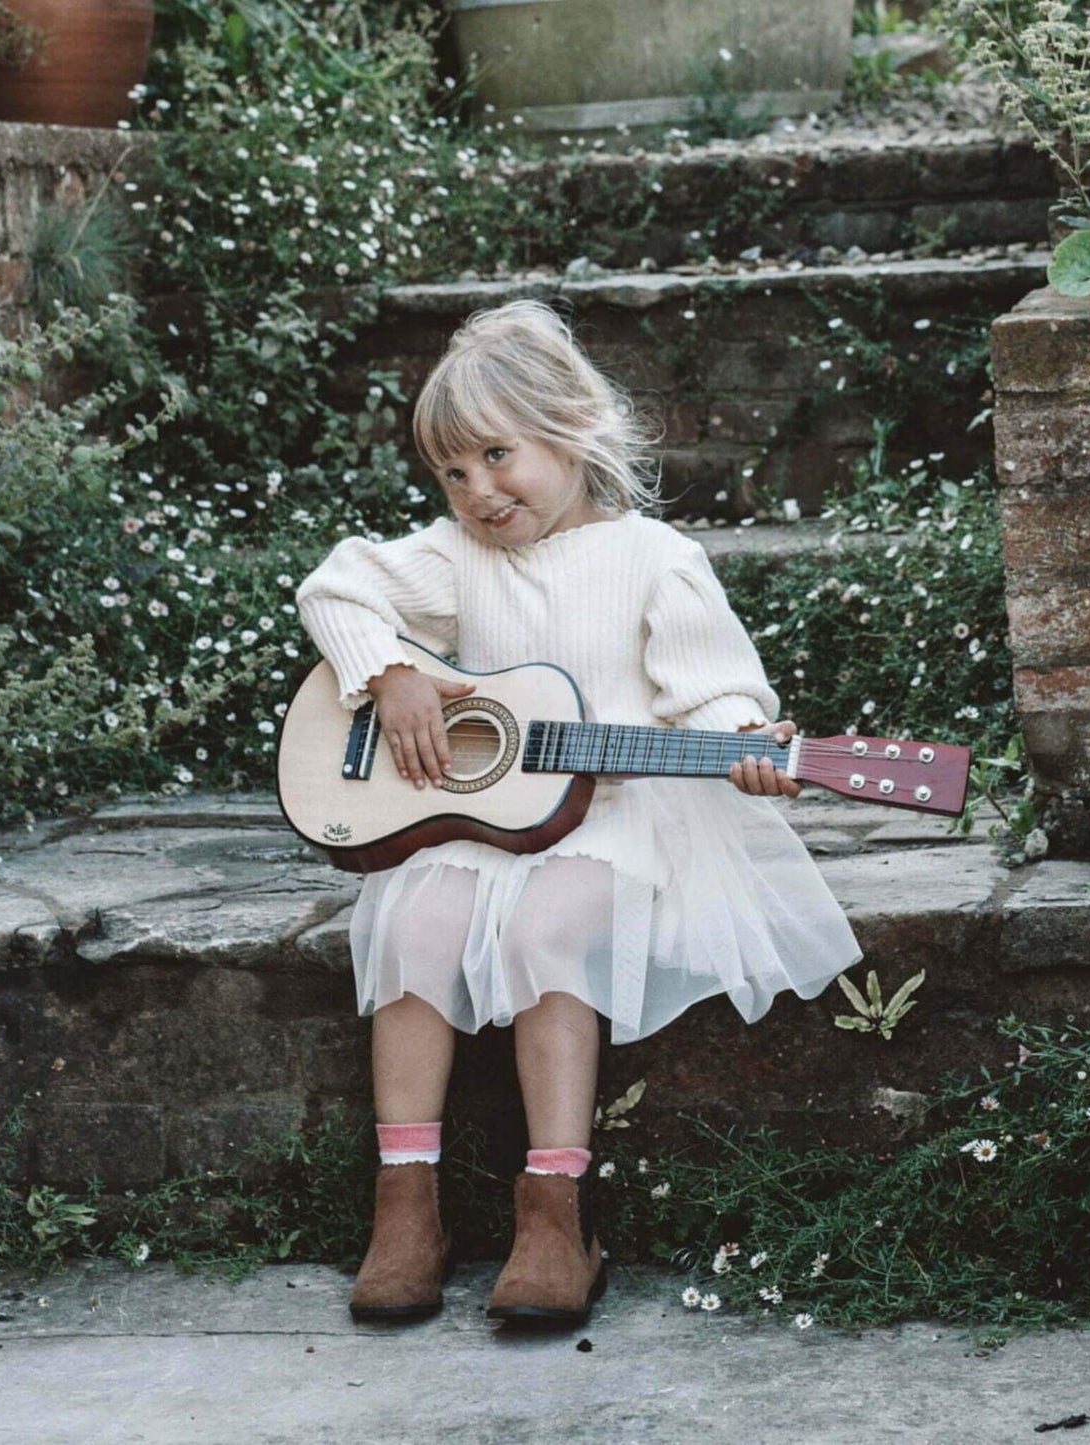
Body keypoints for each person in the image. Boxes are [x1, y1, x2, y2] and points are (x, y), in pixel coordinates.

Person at [294, 299, 860, 1330]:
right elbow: (333, 587)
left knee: (546, 927)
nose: (476, 492)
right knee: (413, 921)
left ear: (569, 428)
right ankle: (404, 1206)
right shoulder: (454, 557)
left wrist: (748, 740)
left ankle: (554, 1208)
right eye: (451, 474)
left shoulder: (652, 557)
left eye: (497, 457)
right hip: (482, 825)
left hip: (615, 821)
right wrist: (388, 676)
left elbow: (715, 691)